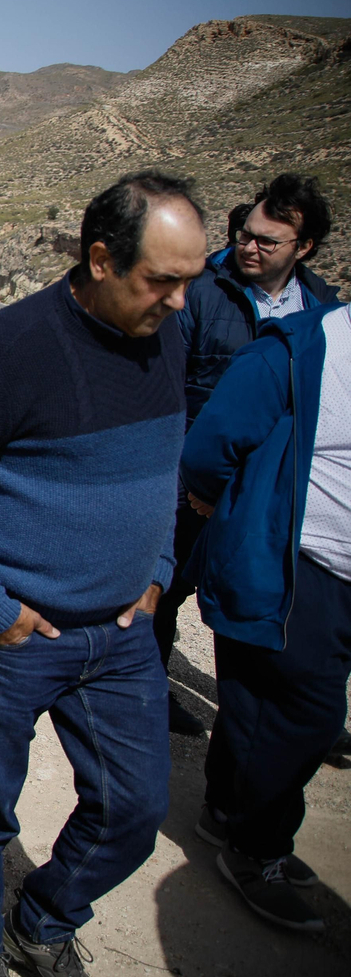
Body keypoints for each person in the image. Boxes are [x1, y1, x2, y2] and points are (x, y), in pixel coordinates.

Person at [0, 171, 207, 977]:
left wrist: (160, 565)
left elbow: (166, 456)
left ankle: (46, 917)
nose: (177, 301)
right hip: (19, 634)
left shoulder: (169, 326)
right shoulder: (15, 347)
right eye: (160, 280)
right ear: (101, 259)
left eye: (188, 282)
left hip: (127, 633)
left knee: (133, 810)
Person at [180, 298, 349, 934]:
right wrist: (234, 511)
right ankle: (257, 850)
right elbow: (212, 447)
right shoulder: (296, 349)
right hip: (293, 562)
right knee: (308, 714)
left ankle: (226, 814)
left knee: (255, 700)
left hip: (331, 574)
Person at [155, 174, 336, 736]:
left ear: (302, 248)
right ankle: (147, 691)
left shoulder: (322, 307)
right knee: (167, 585)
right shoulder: (200, 292)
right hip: (191, 475)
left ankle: (278, 712)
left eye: (266, 240)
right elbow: (164, 385)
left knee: (263, 591)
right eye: (244, 233)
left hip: (276, 486)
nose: (249, 246)